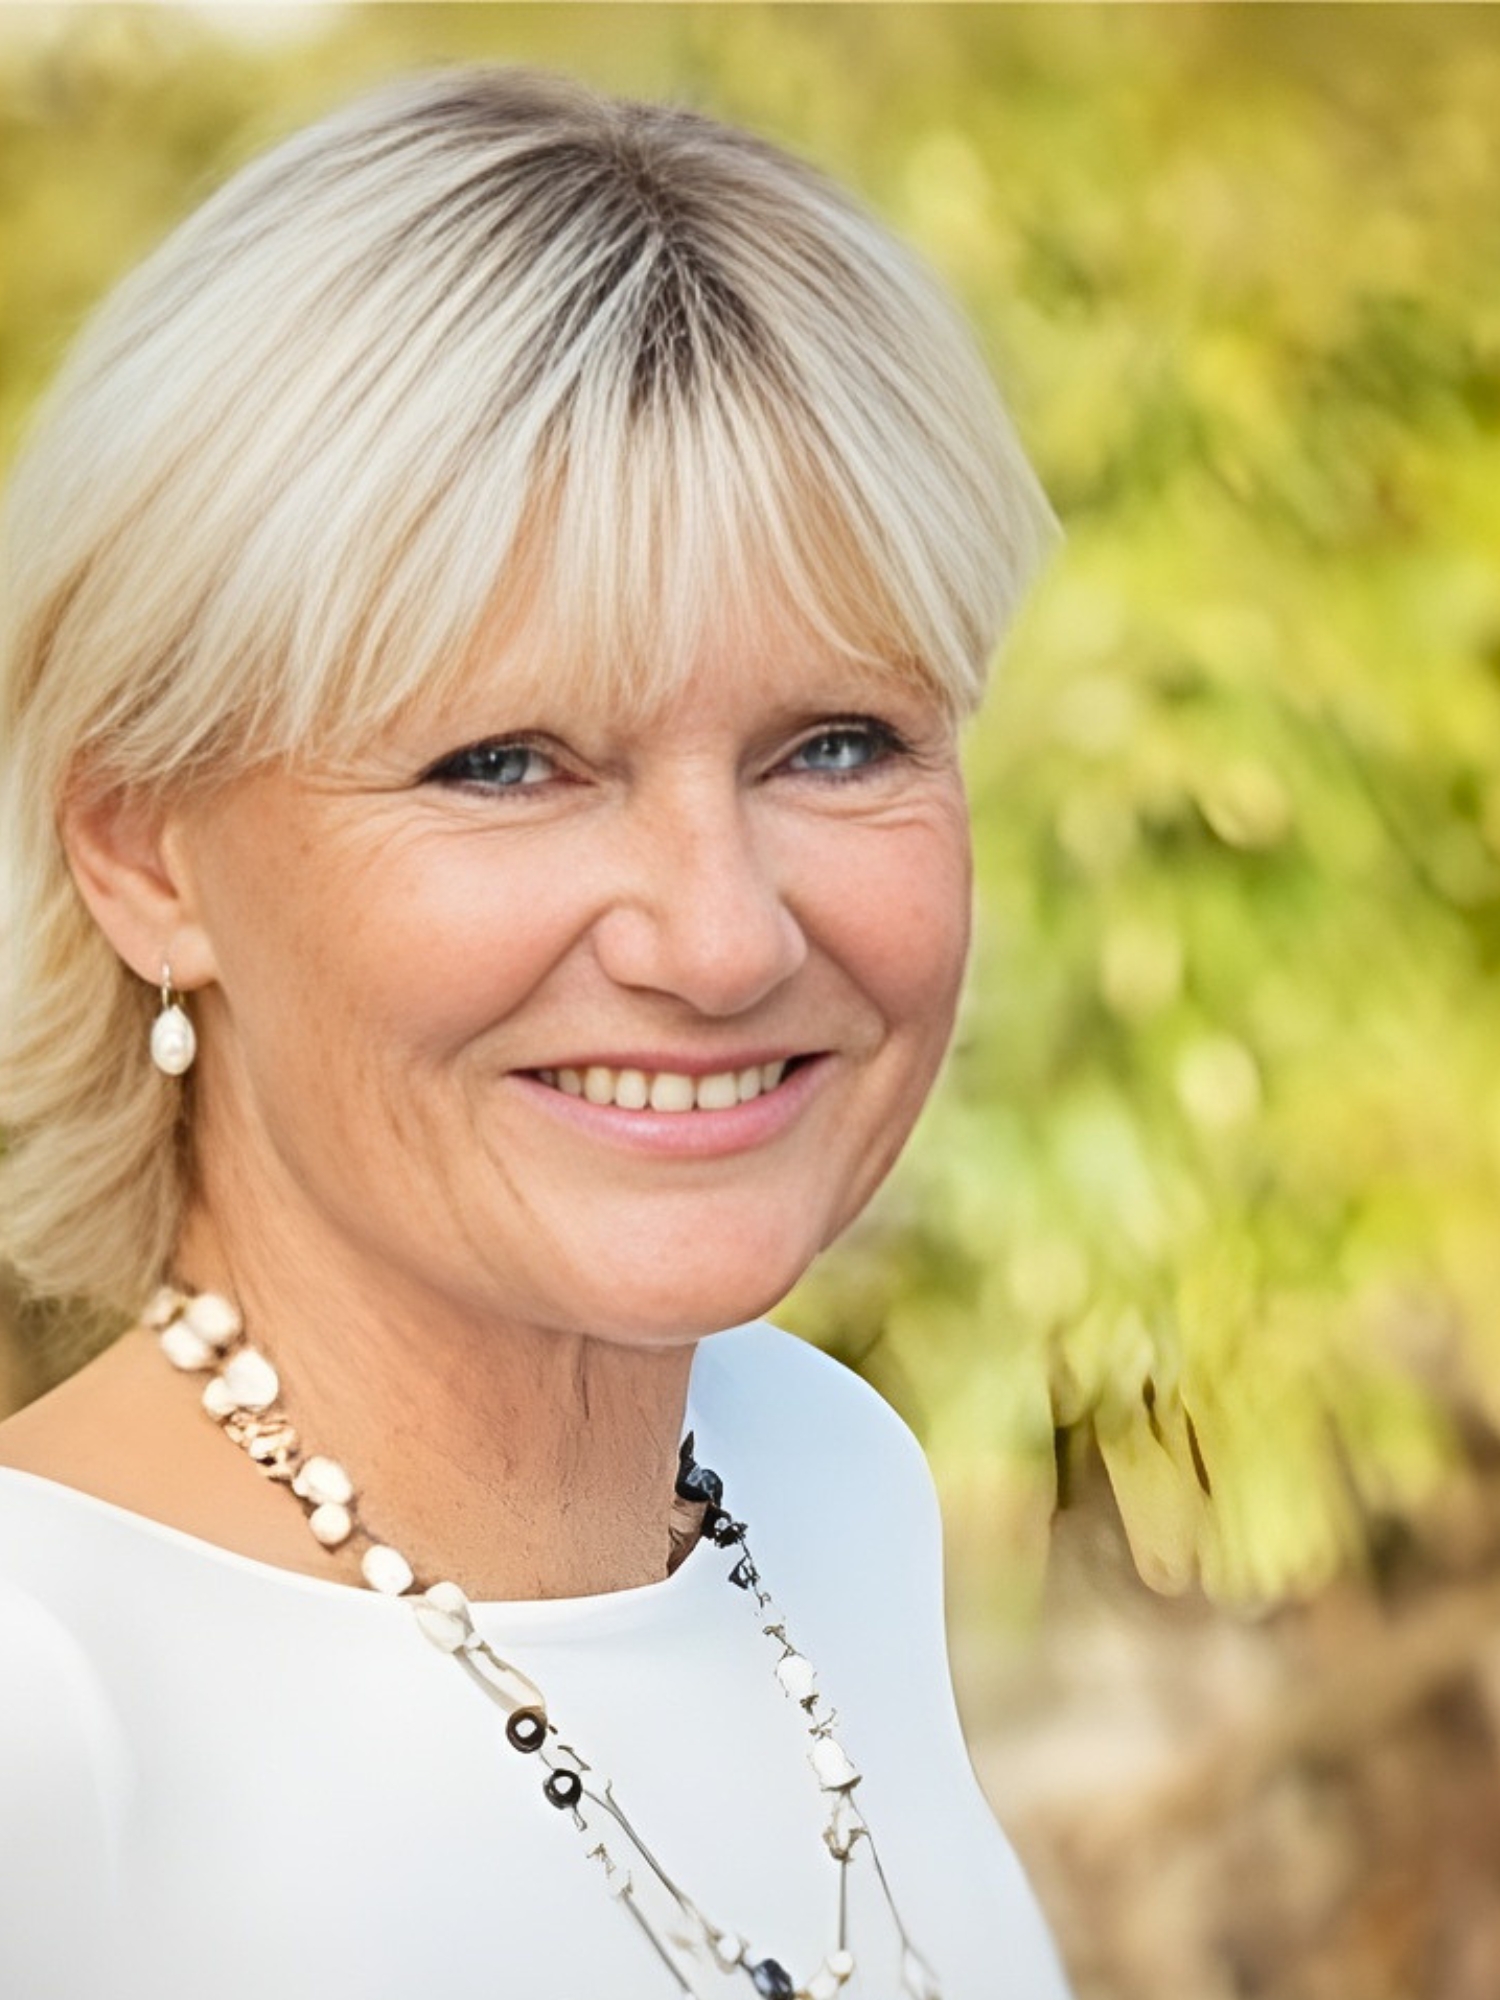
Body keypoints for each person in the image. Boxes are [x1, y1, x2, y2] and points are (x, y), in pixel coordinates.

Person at [0, 67, 1070, 2000]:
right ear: (144, 853)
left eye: (838, 744)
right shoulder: (43, 1723)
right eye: (505, 764)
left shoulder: (828, 1482)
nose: (721, 939)